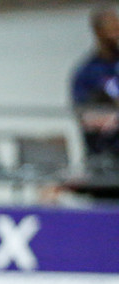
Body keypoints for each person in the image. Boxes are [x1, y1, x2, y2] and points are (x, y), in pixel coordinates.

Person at [71, 5, 119, 170]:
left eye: (117, 28)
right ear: (98, 32)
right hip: (105, 155)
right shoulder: (88, 72)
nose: (115, 35)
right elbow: (84, 115)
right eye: (110, 30)